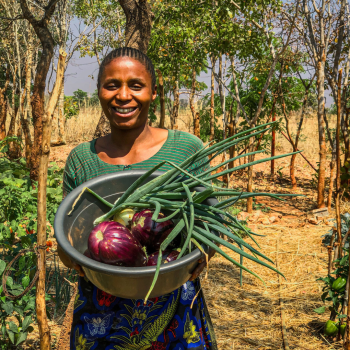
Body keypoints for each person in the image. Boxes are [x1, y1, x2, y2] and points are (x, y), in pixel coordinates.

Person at [58, 47, 218, 350]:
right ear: (99, 92)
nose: (123, 95)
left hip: (171, 304)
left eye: (135, 85)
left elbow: (211, 224)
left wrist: (203, 251)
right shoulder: (82, 159)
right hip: (102, 311)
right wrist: (79, 256)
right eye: (111, 85)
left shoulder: (185, 150)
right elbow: (68, 243)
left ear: (153, 92)